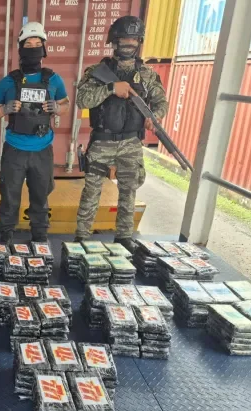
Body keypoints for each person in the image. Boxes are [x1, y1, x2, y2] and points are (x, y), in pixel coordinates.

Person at [74, 15, 169, 251]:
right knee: (91, 191)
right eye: (124, 39)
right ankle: (81, 237)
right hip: (102, 140)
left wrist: (155, 117)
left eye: (133, 39)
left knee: (129, 191)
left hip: (131, 142)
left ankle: (124, 238)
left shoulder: (147, 75)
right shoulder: (97, 71)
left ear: (139, 42)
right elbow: (83, 100)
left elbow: (161, 103)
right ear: (114, 41)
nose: (128, 44)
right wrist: (110, 88)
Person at [0, 22, 70, 245]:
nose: (33, 48)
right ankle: (6, 234)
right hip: (14, 150)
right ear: (20, 49)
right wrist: (5, 109)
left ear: (44, 48)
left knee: (41, 196)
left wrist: (57, 107)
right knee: (9, 195)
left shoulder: (53, 79)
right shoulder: (8, 81)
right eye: (28, 44)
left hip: (42, 149)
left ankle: (40, 236)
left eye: (37, 44)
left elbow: (66, 103)